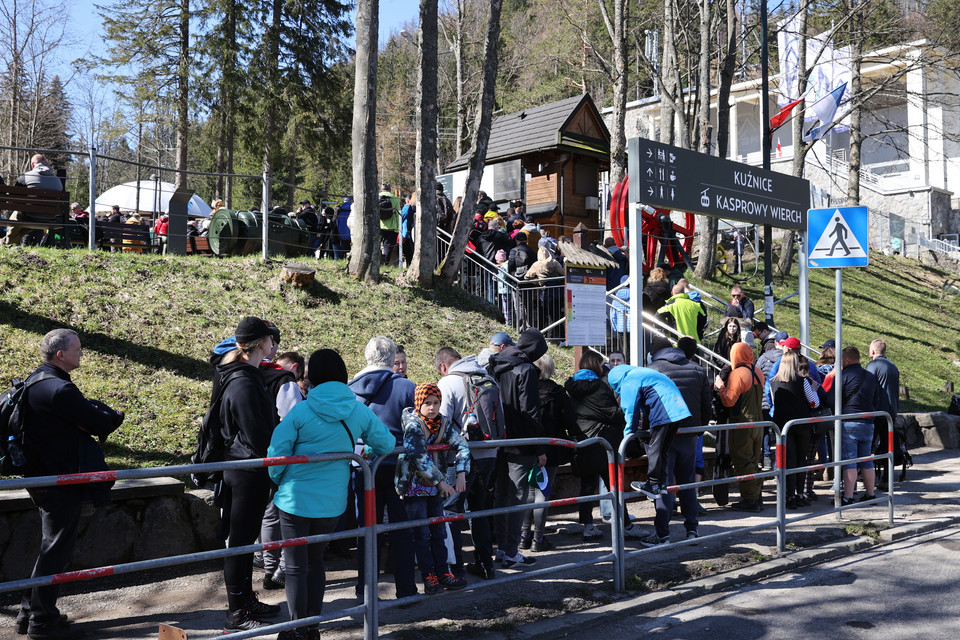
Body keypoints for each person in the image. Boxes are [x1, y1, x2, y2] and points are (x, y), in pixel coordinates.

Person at [268, 349, 395, 640]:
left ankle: (297, 630)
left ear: (313, 375)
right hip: (333, 503)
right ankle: (312, 627)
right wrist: (367, 454)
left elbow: (276, 455)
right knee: (316, 563)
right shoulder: (358, 410)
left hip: (294, 501)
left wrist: (279, 481)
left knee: (296, 567)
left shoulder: (301, 409)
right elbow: (386, 444)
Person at [16, 329, 124, 640]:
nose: (81, 353)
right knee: (55, 549)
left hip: (42, 476)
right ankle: (42, 623)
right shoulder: (59, 390)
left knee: (52, 546)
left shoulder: (36, 379)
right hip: (58, 480)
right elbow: (101, 423)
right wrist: (109, 414)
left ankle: (30, 612)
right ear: (60, 354)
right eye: (77, 348)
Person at [213, 317, 284, 632]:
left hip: (251, 468)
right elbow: (257, 434)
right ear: (261, 344)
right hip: (246, 470)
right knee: (240, 542)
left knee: (246, 540)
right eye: (271, 339)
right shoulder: (242, 380)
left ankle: (245, 600)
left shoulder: (247, 374)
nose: (274, 344)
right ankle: (236, 612)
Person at [348, 337, 417, 601]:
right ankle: (406, 590)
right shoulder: (407, 387)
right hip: (399, 466)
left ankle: (365, 591)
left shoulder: (350, 389)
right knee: (402, 530)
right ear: (391, 360)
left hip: (363, 467)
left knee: (367, 531)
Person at [395, 383, 470, 594]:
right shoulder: (413, 424)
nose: (432, 407)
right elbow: (417, 454)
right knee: (422, 534)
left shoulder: (442, 424)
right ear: (418, 403)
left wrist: (462, 472)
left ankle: (443, 572)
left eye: (436, 403)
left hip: (435, 489)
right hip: (414, 488)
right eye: (427, 403)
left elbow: (462, 444)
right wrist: (442, 481)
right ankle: (428, 577)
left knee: (439, 531)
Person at [564, 350, 646, 541]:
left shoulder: (572, 386)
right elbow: (614, 415)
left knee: (586, 486)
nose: (604, 367)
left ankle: (588, 526)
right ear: (595, 365)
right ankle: (625, 525)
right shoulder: (598, 387)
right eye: (601, 364)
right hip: (603, 444)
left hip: (583, 442)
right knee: (614, 485)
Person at [435, 347, 501, 581]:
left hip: (461, 458)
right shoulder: (487, 377)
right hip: (490, 454)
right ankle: (486, 566)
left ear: (443, 366)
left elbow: (441, 424)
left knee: (452, 510)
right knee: (479, 510)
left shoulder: (448, 382)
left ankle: (456, 570)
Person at [486, 328, 548, 568]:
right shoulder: (527, 370)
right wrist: (540, 447)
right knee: (518, 498)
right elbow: (530, 412)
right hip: (521, 444)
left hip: (497, 441)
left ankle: (501, 549)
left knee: (501, 496)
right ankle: (511, 551)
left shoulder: (495, 364)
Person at [643, 339, 711, 545]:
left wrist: (645, 435)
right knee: (687, 482)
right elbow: (706, 405)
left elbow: (644, 406)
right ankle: (692, 530)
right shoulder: (697, 369)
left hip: (662, 434)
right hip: (690, 434)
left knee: (663, 483)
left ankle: (662, 533)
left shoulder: (652, 370)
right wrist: (699, 429)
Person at [608, 364, 691, 501]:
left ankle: (652, 484)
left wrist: (627, 436)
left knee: (655, 448)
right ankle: (661, 483)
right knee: (663, 449)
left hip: (664, 410)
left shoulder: (629, 380)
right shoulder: (643, 373)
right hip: (678, 409)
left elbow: (630, 411)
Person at [520, 354, 576, 551]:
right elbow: (570, 419)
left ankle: (524, 535)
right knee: (543, 490)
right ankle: (538, 539)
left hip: (527, 445)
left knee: (529, 491)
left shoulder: (525, 388)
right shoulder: (557, 391)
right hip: (551, 447)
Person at [714, 342, 766, 512]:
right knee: (753, 459)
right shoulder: (757, 371)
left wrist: (720, 387)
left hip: (743, 423)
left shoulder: (738, 374)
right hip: (759, 422)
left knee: (743, 461)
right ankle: (757, 496)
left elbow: (729, 400)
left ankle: (750, 499)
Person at [827, 346, 881, 504]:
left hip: (849, 422)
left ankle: (848, 497)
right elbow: (877, 400)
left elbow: (832, 401)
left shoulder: (842, 376)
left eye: (841, 359)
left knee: (849, 461)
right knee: (867, 460)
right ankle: (870, 494)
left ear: (847, 360)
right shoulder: (871, 376)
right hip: (868, 422)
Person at [769, 350, 817, 509]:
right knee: (801, 460)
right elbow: (814, 403)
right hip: (802, 424)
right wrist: (814, 390)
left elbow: (775, 402)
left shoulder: (773, 381)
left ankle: (788, 495)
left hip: (782, 425)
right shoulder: (802, 381)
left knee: (788, 461)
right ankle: (799, 493)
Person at [3, 154, 63, 246]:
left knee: (15, 216)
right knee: (23, 224)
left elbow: (13, 198)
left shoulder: (26, 176)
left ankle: (8, 243)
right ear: (46, 164)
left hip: (29, 216)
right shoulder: (58, 181)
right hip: (50, 218)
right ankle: (8, 242)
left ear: (32, 165)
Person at [378, 182, 401, 266]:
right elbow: (398, 213)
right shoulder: (394, 199)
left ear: (381, 189)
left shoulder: (376, 198)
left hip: (378, 225)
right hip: (391, 227)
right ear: (390, 189)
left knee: (376, 246)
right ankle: (386, 263)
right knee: (388, 247)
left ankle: (377, 263)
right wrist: (398, 228)